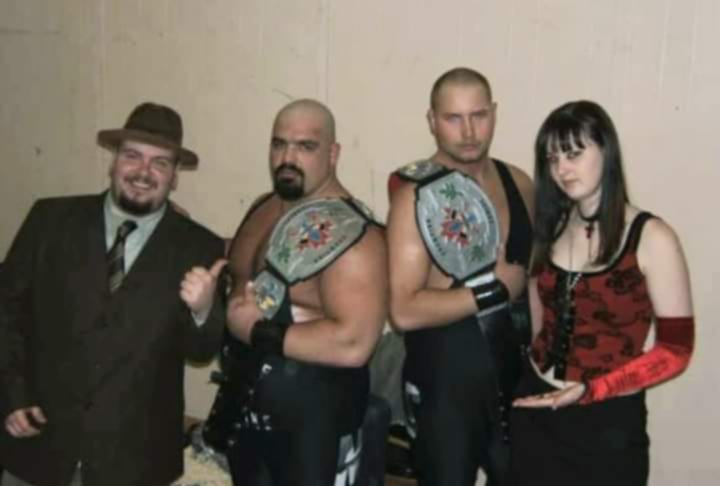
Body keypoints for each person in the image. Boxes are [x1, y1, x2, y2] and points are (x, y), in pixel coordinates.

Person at [0, 102, 227, 486]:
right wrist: (13, 397)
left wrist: (203, 310)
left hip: (134, 463)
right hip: (39, 443)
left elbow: (200, 351)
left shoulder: (200, 247)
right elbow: (6, 313)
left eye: (160, 162)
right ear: (113, 161)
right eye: (132, 155)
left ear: (175, 176)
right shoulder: (49, 221)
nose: (143, 172)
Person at [201, 99, 388, 485]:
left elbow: (354, 343)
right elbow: (242, 273)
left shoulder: (356, 237)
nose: (288, 158)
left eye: (305, 146)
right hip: (248, 409)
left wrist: (258, 331)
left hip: (314, 426)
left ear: (333, 154)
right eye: (279, 144)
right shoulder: (264, 207)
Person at [510, 100, 695, 485]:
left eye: (574, 154)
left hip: (607, 424)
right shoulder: (552, 225)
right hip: (537, 410)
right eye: (552, 158)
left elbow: (676, 350)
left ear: (606, 152)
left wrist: (592, 390)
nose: (562, 169)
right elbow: (539, 314)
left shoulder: (652, 237)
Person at [386, 67, 534, 486]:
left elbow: (533, 279)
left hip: (515, 377)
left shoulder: (519, 183)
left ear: (494, 113)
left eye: (479, 115)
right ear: (432, 121)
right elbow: (403, 310)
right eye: (453, 118)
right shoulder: (414, 197)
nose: (469, 132)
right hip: (445, 387)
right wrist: (494, 290)